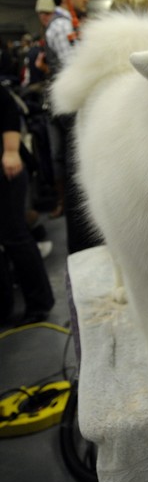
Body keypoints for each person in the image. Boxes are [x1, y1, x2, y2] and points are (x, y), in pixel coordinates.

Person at [45, 0, 101, 253]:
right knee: (80, 174)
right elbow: (76, 71)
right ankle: (83, 247)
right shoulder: (60, 26)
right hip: (75, 110)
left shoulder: (73, 24)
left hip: (82, 108)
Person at [0, 84, 54, 325]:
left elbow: (8, 108)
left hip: (6, 168)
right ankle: (4, 307)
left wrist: (11, 151)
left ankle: (39, 304)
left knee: (14, 235)